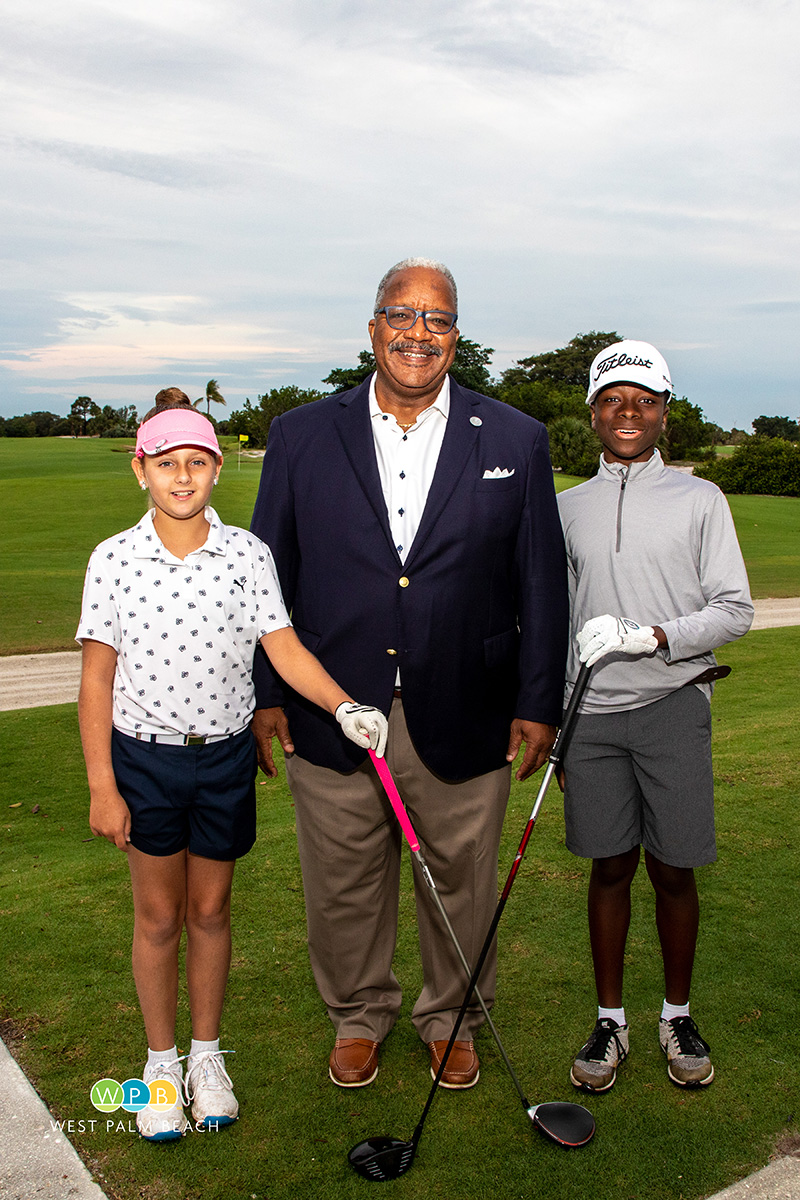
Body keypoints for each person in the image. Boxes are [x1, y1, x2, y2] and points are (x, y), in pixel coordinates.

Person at [250, 257, 568, 1090]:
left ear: (456, 337)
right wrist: (267, 694)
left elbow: (540, 579)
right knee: (343, 882)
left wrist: (538, 700)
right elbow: (265, 576)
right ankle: (358, 1015)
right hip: (331, 702)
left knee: (460, 879)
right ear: (373, 328)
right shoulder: (300, 434)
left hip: (469, 702)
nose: (417, 333)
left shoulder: (514, 439)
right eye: (402, 313)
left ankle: (451, 1016)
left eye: (437, 319)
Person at [77, 392, 387, 1141]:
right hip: (144, 762)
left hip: (223, 761)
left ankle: (208, 1057)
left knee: (210, 913)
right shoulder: (114, 559)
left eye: (197, 463)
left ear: (216, 469)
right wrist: (102, 786)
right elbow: (95, 679)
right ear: (140, 470)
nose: (182, 477)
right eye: (166, 463)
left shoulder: (247, 553)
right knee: (158, 919)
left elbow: (283, 649)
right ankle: (160, 1066)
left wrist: (344, 706)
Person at [557, 340, 754, 1093]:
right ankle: (612, 1021)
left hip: (672, 702)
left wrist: (656, 637)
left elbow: (733, 609)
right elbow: (556, 622)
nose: (628, 413)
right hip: (594, 716)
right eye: (613, 400)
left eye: (644, 400)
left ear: (665, 412)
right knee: (609, 866)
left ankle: (677, 1014)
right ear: (594, 414)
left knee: (673, 867)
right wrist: (558, 724)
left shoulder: (701, 499)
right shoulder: (566, 508)